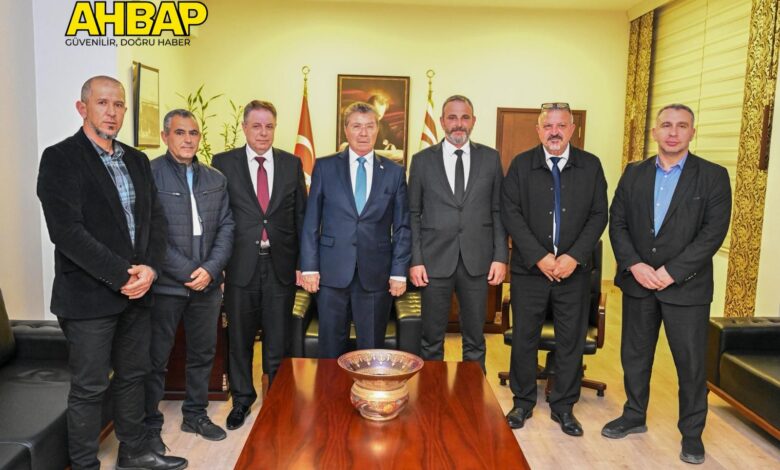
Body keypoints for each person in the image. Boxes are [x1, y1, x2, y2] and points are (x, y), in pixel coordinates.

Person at [36, 76, 187, 470]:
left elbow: (155, 222)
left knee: (133, 376)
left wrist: (150, 268)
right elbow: (67, 232)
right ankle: (85, 465)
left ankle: (134, 453)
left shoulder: (136, 160)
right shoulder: (60, 158)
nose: (112, 112)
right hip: (88, 297)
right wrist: (124, 275)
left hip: (138, 293)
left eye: (118, 104)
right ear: (82, 108)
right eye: (102, 103)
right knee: (89, 388)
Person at [604, 103, 731, 464]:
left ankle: (692, 434)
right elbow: (618, 222)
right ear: (655, 132)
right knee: (634, 356)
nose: (673, 132)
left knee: (690, 364)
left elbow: (712, 234)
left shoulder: (713, 176)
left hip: (686, 288)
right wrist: (634, 264)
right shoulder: (634, 173)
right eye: (666, 125)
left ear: (693, 132)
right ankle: (634, 415)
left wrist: (672, 272)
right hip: (639, 283)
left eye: (682, 125)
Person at [501, 102, 608, 437]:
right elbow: (511, 213)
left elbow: (599, 215)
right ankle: (522, 402)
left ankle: (564, 407)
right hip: (530, 272)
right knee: (524, 338)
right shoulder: (521, 165)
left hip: (573, 273)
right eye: (548, 126)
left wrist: (573, 257)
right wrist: (540, 257)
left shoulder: (590, 166)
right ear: (538, 130)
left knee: (570, 340)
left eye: (561, 125)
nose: (555, 132)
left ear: (572, 129)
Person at [212, 100, 307, 431]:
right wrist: (217, 266)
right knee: (239, 340)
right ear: (244, 128)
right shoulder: (223, 163)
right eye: (256, 126)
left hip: (280, 266)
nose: (263, 132)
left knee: (278, 340)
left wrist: (303, 263)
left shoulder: (291, 163)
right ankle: (242, 400)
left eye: (269, 126)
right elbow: (216, 218)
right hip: (239, 267)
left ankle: (277, 400)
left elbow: (301, 217)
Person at [144, 109, 234, 451]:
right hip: (166, 286)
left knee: (203, 353)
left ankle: (195, 414)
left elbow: (227, 227)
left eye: (193, 133)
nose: (188, 139)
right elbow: (150, 233)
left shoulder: (215, 178)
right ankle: (149, 424)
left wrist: (210, 269)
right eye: (180, 132)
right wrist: (186, 272)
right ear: (165, 136)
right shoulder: (150, 174)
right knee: (156, 358)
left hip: (207, 286)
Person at [300, 101, 411, 358]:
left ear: (377, 130)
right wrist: (309, 268)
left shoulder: (394, 172)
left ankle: (366, 387)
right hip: (331, 273)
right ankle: (331, 387)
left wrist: (399, 272)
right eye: (356, 126)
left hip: (376, 274)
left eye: (369, 126)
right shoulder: (325, 167)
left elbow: (402, 226)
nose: (363, 133)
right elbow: (311, 221)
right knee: (330, 349)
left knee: (371, 350)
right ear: (346, 130)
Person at [408, 94, 507, 372]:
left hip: (477, 260)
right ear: (442, 122)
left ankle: (474, 394)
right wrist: (416, 260)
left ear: (473, 121)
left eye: (465, 117)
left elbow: (498, 210)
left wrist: (500, 256)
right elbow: (412, 213)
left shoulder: (490, 158)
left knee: (475, 338)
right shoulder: (422, 161)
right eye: (452, 117)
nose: (458, 124)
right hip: (433, 261)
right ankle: (431, 393)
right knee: (431, 339)